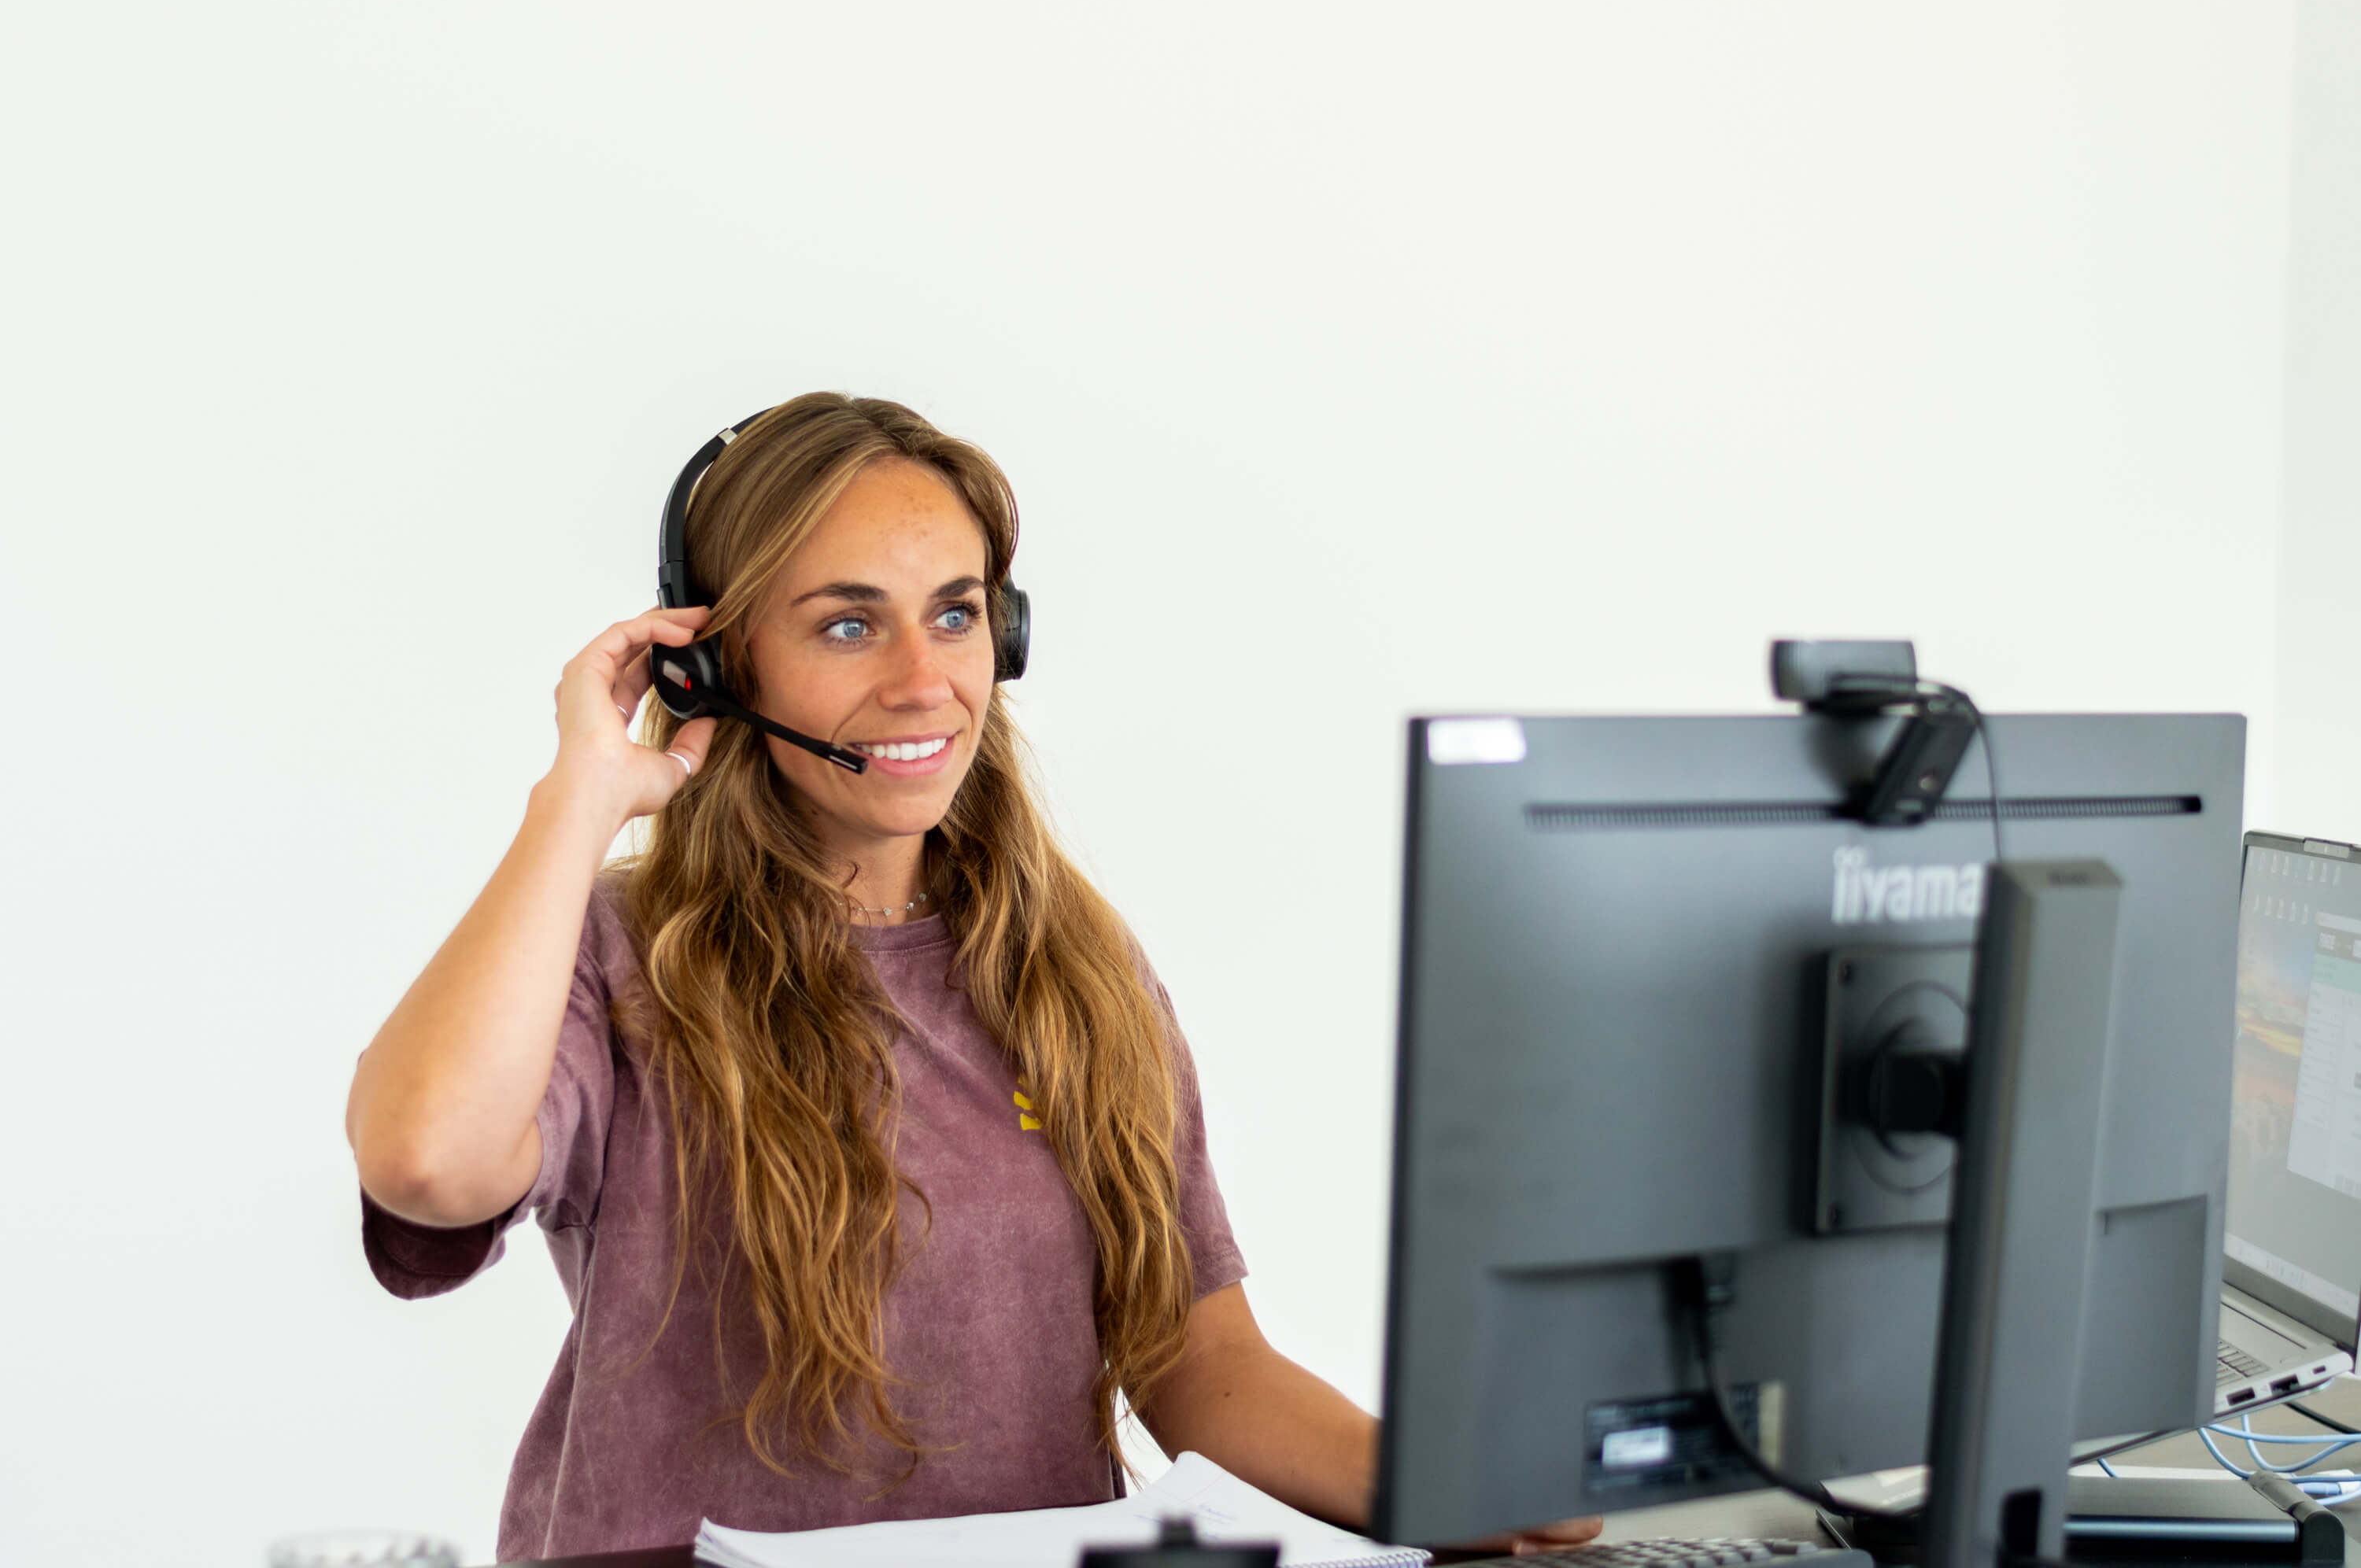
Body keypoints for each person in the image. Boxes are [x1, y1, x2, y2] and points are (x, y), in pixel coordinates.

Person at [345, 393, 1602, 1560]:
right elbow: (429, 1162)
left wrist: (1462, 1488)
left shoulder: (1073, 965)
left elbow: (1196, 1360)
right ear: (716, 667)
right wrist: (579, 802)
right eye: (847, 623)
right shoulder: (616, 953)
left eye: (955, 613)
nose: (923, 679)